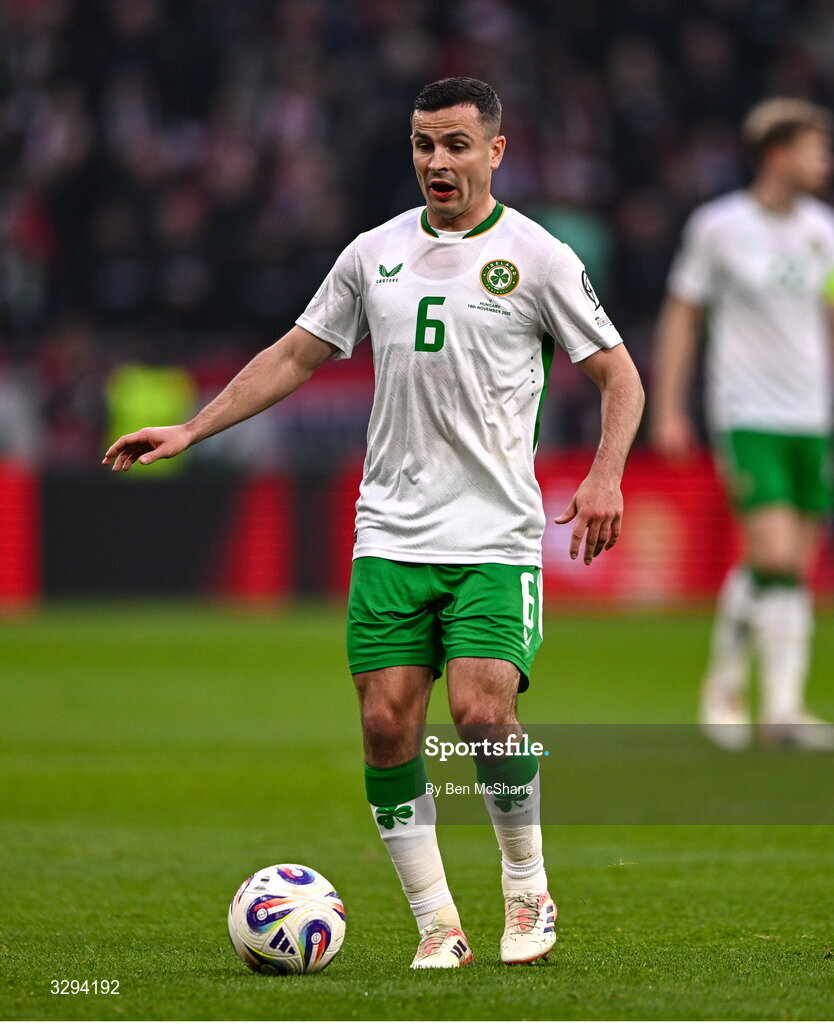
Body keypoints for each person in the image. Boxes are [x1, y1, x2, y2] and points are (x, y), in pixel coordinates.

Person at [104, 78, 644, 967]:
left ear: (496, 152)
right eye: (424, 143)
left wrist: (606, 476)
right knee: (389, 723)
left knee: (480, 710)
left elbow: (622, 377)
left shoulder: (539, 257)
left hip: (494, 534)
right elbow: (294, 354)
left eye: (457, 145)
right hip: (392, 531)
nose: (438, 160)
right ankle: (439, 929)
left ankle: (526, 894)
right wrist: (193, 426)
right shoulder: (372, 254)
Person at [651, 98, 834, 751]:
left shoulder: (825, 230)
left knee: (796, 566)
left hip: (810, 417)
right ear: (779, 154)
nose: (828, 161)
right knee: (774, 554)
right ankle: (724, 685)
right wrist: (669, 405)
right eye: (818, 149)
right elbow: (682, 316)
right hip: (747, 413)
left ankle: (783, 708)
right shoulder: (718, 227)